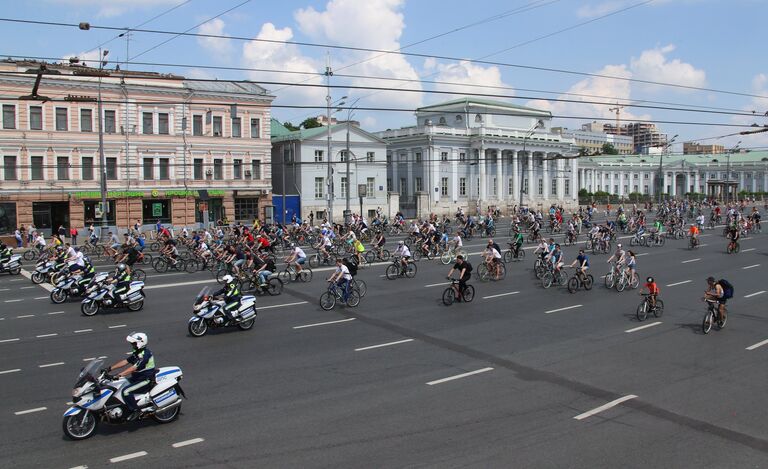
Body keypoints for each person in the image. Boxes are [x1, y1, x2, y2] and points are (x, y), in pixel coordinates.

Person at [106, 332, 155, 421]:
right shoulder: (137, 352)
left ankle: (136, 410)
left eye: (134, 343)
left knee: (126, 391)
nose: (132, 345)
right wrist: (109, 368)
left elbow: (133, 368)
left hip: (145, 379)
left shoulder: (144, 355)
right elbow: (126, 361)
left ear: (140, 342)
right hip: (136, 378)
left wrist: (118, 375)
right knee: (118, 386)